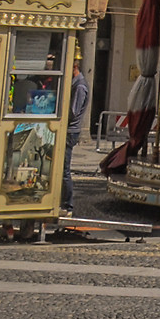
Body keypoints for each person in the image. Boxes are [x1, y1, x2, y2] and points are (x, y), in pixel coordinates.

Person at [63, 58, 90, 213]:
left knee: (64, 170)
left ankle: (67, 204)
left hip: (70, 131)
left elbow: (73, 112)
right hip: (70, 130)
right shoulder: (75, 84)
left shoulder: (79, 86)